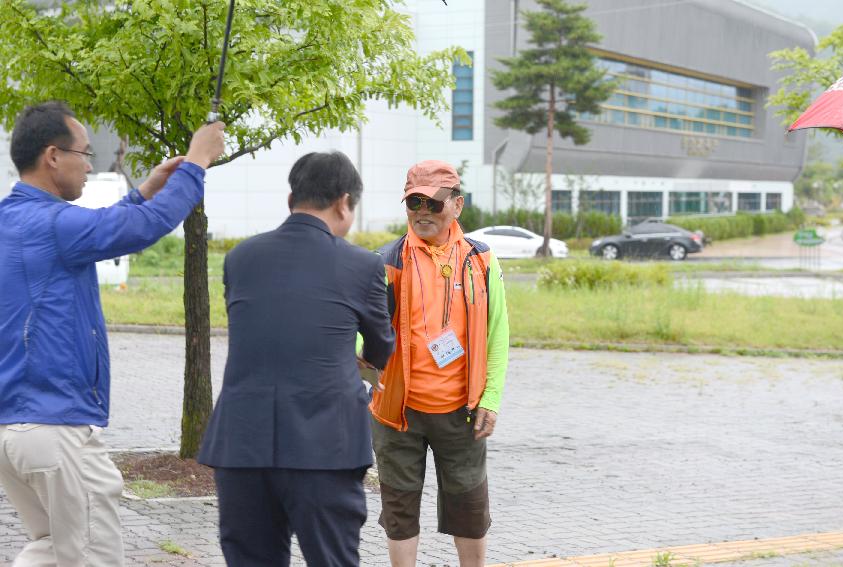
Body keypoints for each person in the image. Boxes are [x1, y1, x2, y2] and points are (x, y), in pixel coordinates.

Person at [0, 101, 225, 566]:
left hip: (14, 432)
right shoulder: (55, 224)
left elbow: (103, 228)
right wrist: (197, 163)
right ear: (52, 155)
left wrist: (143, 192)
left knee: (51, 548)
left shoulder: (13, 221)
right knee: (95, 556)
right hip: (55, 428)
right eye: (84, 153)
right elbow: (139, 229)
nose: (90, 164)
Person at [197, 151, 396, 566]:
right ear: (344, 202)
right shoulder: (361, 265)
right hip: (324, 446)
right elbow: (381, 348)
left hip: (242, 445)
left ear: (292, 199)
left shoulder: (241, 259)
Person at [369, 160, 510, 566]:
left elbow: (497, 331)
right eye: (415, 202)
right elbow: (364, 332)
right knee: (399, 509)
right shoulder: (386, 262)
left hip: (462, 411)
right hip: (398, 411)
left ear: (457, 205)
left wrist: (492, 397)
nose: (423, 212)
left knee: (469, 507)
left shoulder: (481, 261)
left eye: (434, 203)